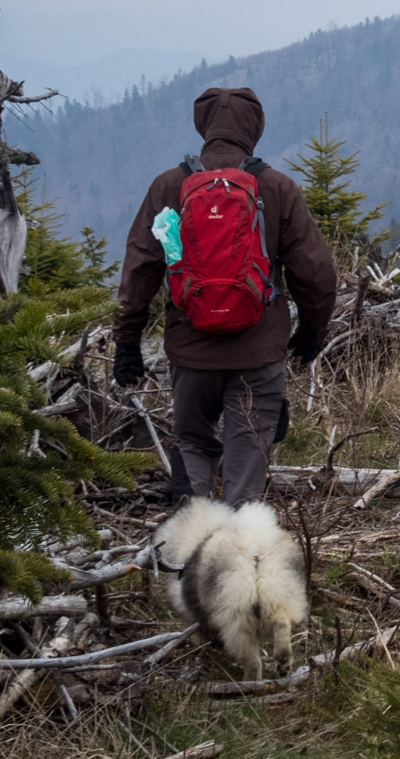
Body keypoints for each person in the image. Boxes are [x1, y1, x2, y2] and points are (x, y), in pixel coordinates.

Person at [112, 87, 338, 506]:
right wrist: (311, 335)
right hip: (257, 353)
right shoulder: (275, 186)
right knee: (247, 458)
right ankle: (240, 556)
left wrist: (127, 341)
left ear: (204, 126)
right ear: (255, 128)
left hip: (191, 349)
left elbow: (142, 265)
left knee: (194, 443)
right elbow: (317, 274)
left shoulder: (169, 185)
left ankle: (189, 547)